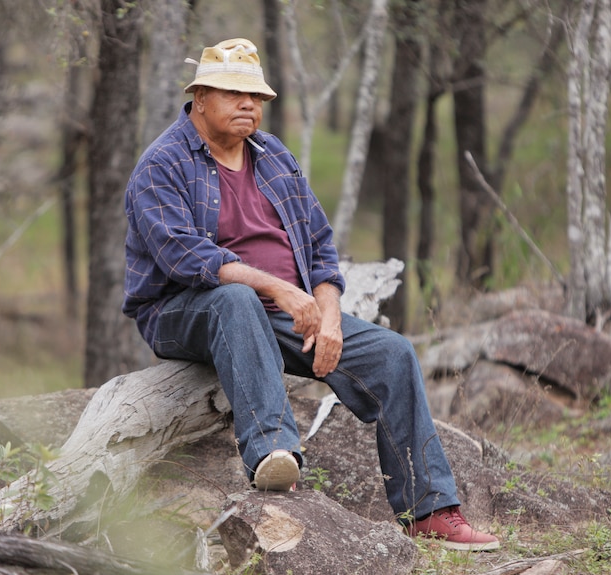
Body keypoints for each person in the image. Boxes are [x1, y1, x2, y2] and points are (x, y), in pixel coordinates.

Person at [122, 37, 500, 552]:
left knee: (392, 353)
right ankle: (274, 457)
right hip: (182, 310)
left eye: (256, 96)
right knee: (236, 301)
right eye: (235, 94)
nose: (249, 105)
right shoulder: (161, 164)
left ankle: (429, 510)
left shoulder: (273, 155)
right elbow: (184, 258)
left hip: (280, 312)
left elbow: (319, 248)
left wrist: (330, 318)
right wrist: (278, 287)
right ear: (201, 97)